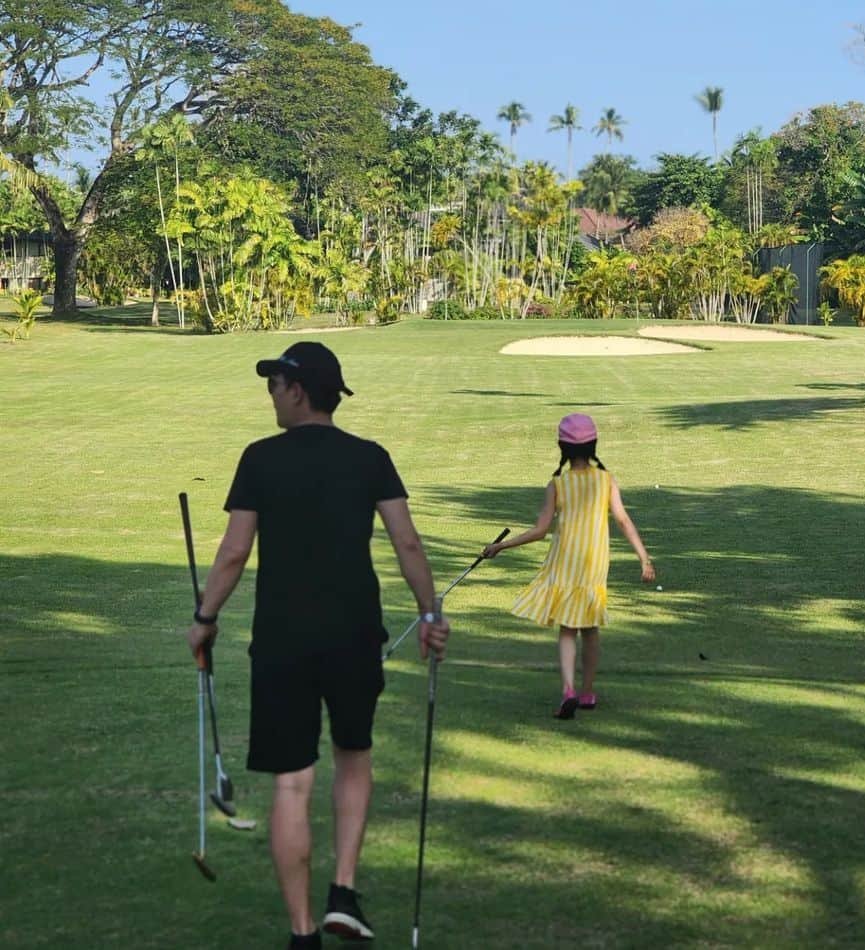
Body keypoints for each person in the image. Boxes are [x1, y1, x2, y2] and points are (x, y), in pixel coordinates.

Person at [185, 341, 449, 949]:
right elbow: (408, 545)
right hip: (355, 634)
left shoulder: (260, 459)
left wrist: (205, 618)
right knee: (354, 756)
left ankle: (304, 932)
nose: (271, 396)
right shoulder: (370, 458)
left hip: (282, 642)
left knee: (292, 784)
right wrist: (431, 613)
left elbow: (232, 553)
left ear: (297, 390)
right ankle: (344, 893)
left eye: (275, 385)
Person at [482, 413, 654, 719]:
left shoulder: (558, 484)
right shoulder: (606, 480)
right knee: (590, 629)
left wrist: (500, 546)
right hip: (594, 565)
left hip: (564, 564)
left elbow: (539, 530)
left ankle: (568, 690)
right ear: (594, 445)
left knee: (567, 628)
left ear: (562, 446)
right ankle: (587, 693)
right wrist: (644, 558)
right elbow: (623, 519)